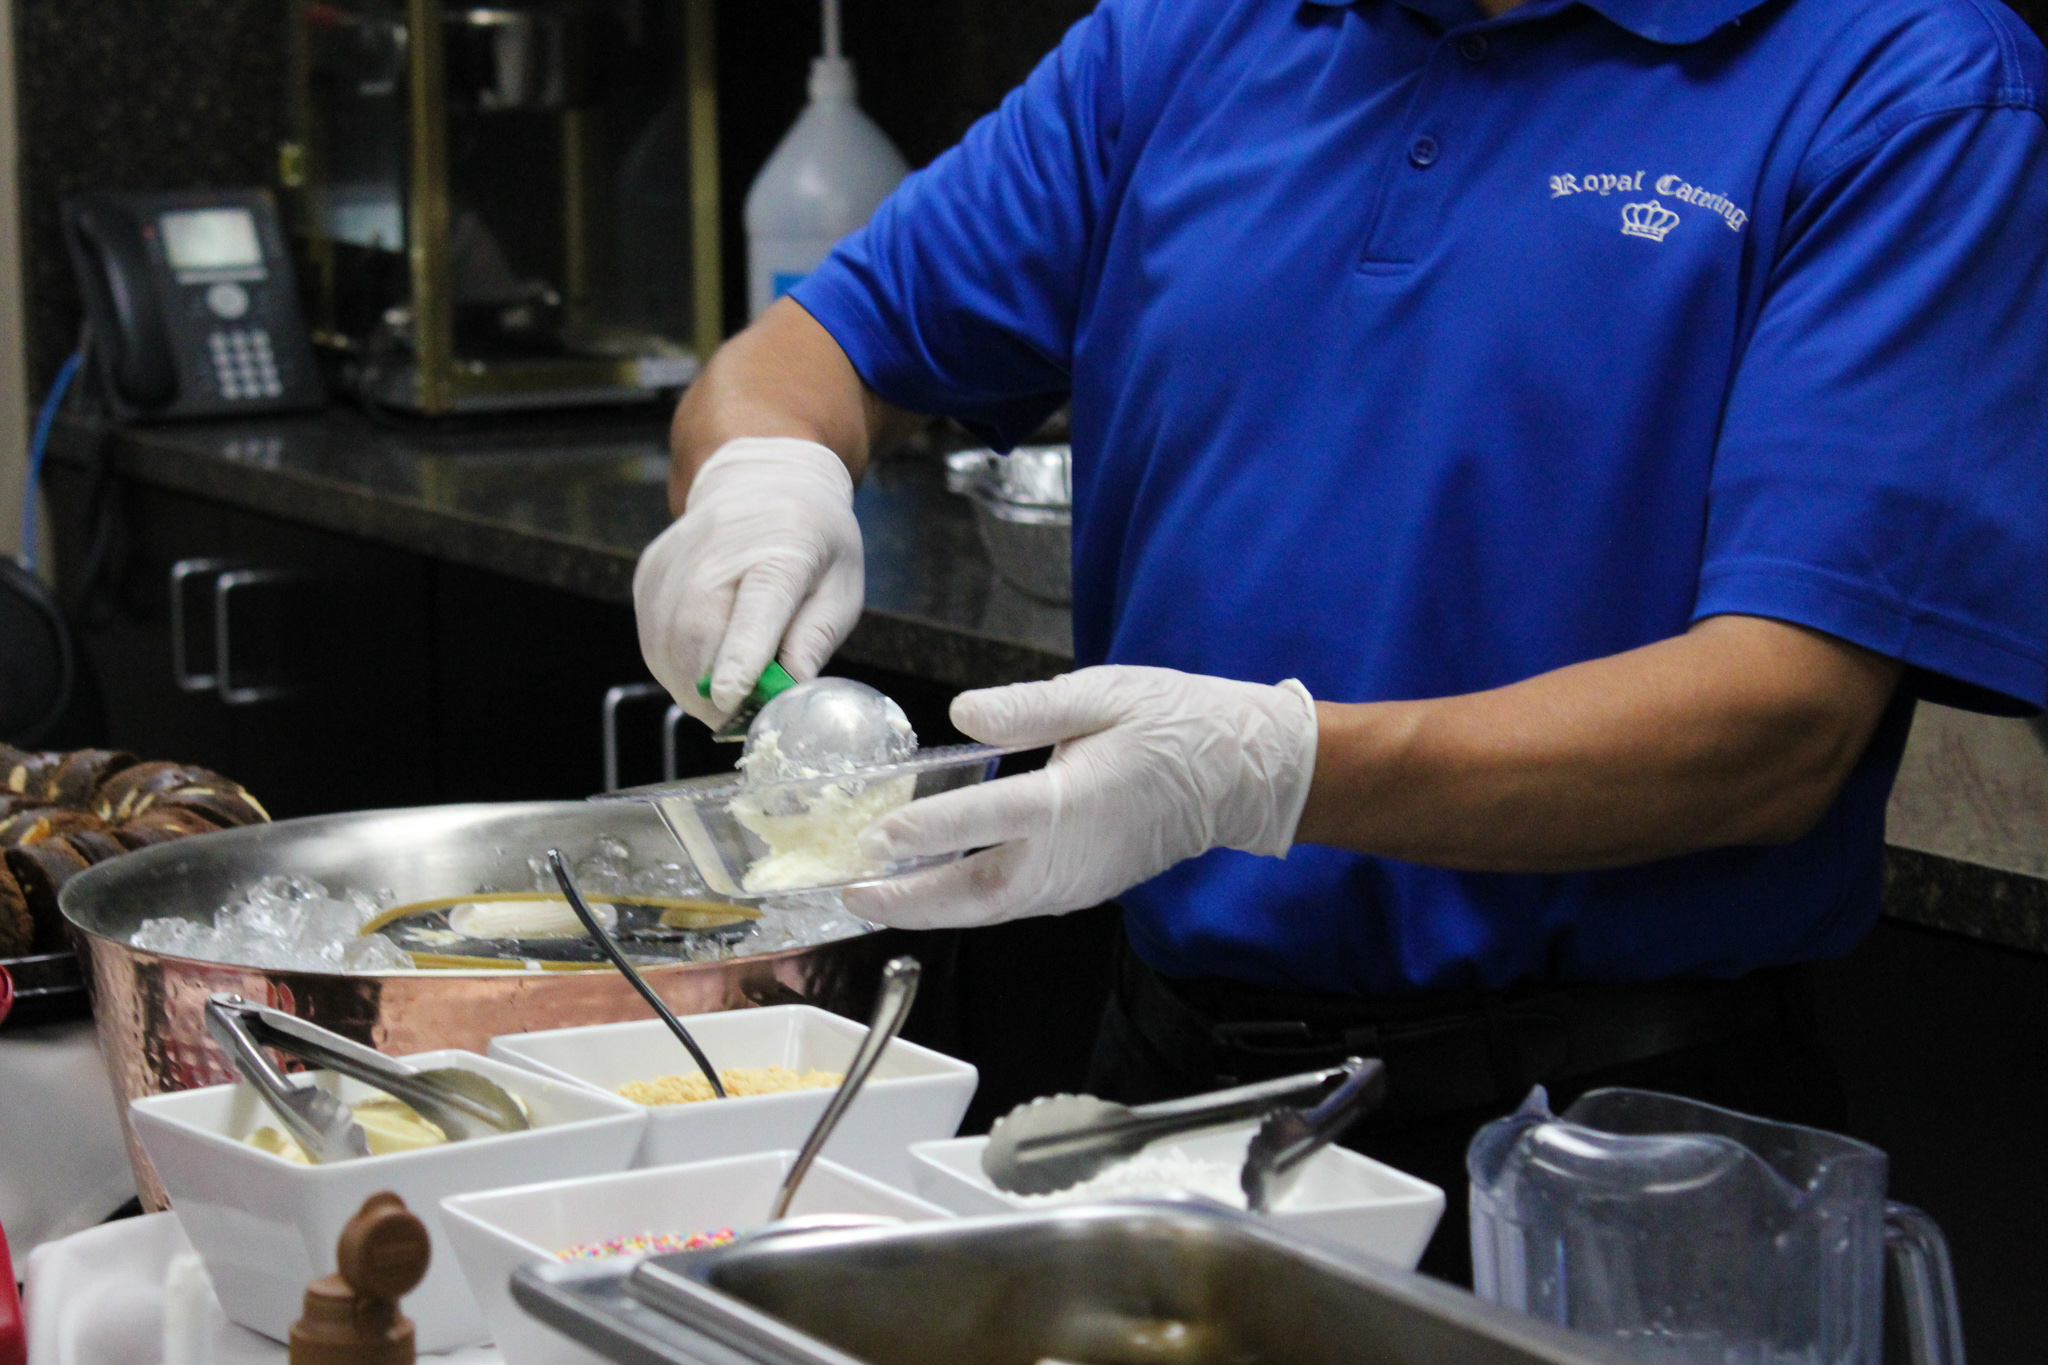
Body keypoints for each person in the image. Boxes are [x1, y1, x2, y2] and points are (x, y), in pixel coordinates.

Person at [635, 0, 2048, 1277]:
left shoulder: (1903, 80)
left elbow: (1778, 725)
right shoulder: (1185, 40)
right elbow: (818, 345)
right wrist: (762, 473)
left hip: (1610, 1165)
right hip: (1160, 1105)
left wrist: (1270, 769)